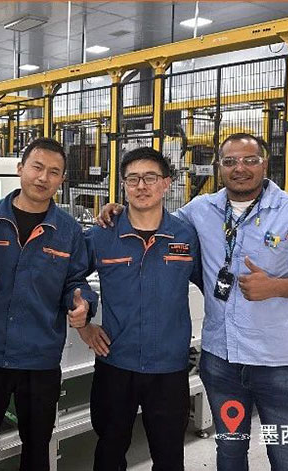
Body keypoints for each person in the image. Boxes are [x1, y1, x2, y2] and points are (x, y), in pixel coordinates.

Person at [98, 133, 288, 471]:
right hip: (222, 361)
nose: (239, 168)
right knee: (229, 451)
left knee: (287, 455)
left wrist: (276, 287)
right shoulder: (201, 210)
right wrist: (117, 211)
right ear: (219, 167)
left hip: (277, 363)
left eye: (249, 160)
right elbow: (154, 220)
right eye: (230, 161)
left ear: (265, 164)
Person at [0, 137, 98, 471]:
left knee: (37, 450)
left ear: (62, 179)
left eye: (54, 172)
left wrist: (83, 304)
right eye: (37, 167)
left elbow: (75, 281)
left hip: (39, 359)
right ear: (21, 168)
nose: (43, 177)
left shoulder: (68, 230)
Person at [80, 147, 202, 471]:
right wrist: (84, 324)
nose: (141, 186)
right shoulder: (102, 234)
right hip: (116, 363)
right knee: (109, 451)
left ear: (166, 183)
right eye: (132, 179)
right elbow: (71, 278)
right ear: (123, 185)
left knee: (169, 455)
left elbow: (212, 284)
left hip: (169, 367)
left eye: (150, 177)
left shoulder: (185, 235)